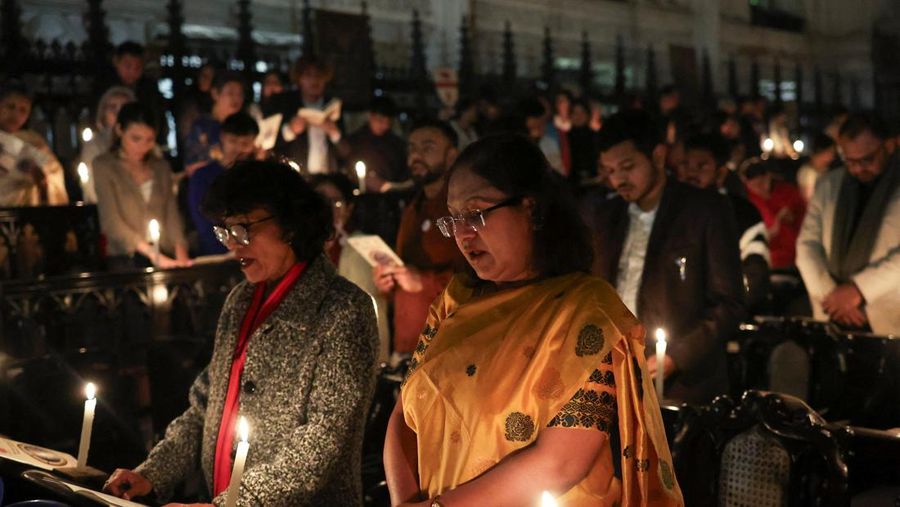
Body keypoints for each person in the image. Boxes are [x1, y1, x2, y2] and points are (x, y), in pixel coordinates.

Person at [383, 133, 683, 506]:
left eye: (476, 214)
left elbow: (559, 463)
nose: (461, 234)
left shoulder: (587, 311)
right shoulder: (455, 299)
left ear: (532, 209)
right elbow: (403, 414)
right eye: (454, 219)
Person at [104, 160, 379, 506]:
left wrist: (234, 504)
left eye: (244, 229)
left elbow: (321, 444)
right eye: (225, 231)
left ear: (291, 224)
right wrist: (152, 473)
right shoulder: (241, 300)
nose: (232, 245)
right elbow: (205, 407)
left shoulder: (343, 310)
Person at [586, 110, 745, 405]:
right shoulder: (605, 216)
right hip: (611, 379)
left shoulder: (705, 210)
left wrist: (676, 357)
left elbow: (729, 302)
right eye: (609, 171)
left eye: (627, 166)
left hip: (681, 386)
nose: (618, 180)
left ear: (658, 156)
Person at [797, 113, 900, 335]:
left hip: (890, 317)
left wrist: (859, 290)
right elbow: (807, 245)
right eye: (849, 160)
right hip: (832, 316)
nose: (857, 169)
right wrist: (833, 298)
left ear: (890, 145)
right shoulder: (830, 184)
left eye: (867, 159)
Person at [373, 119, 467, 356]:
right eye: (412, 148)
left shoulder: (462, 211)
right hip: (406, 346)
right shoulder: (412, 209)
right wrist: (389, 282)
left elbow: (477, 281)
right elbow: (405, 279)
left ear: (452, 155)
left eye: (428, 148)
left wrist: (423, 283)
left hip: (447, 349)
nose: (416, 155)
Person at [679, 133, 771, 313]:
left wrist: (724, 313)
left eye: (702, 166)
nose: (691, 173)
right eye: (685, 165)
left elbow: (756, 273)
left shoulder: (742, 213)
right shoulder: (670, 212)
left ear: (720, 173)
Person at [93, 102, 190, 269]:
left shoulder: (161, 167)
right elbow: (111, 221)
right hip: (125, 258)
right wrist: (150, 252)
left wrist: (181, 254)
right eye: (135, 138)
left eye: (149, 140)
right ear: (119, 130)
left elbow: (171, 214)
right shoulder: (104, 166)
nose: (142, 147)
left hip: (165, 252)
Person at [312, 173, 391, 364]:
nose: (328, 208)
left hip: (362, 354)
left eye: (336, 202)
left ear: (349, 208)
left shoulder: (369, 247)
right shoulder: (302, 250)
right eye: (321, 200)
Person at [188, 111, 259, 256]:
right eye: (233, 141)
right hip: (218, 253)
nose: (238, 149)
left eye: (245, 143)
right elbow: (202, 221)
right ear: (222, 138)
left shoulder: (258, 175)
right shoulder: (202, 177)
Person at [271, 55, 350, 174]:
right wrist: (290, 131)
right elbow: (272, 146)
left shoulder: (333, 106)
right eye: (308, 75)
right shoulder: (286, 104)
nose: (314, 80)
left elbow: (347, 153)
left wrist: (335, 134)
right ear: (299, 79)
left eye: (319, 75)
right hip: (296, 177)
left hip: (328, 176)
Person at [0, 82, 69, 206]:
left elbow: (53, 170)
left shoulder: (33, 140)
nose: (16, 114)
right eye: (10, 107)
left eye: (23, 110)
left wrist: (43, 178)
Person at [97, 41, 168, 146]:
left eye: (137, 67)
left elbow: (157, 117)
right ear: (116, 62)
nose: (132, 72)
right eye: (128, 66)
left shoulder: (148, 90)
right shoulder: (103, 87)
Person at [741, 158, 806, 269]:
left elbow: (805, 221)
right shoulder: (747, 201)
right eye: (753, 186)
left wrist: (792, 219)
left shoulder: (789, 192)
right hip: (765, 262)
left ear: (769, 176)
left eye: (762, 183)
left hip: (795, 258)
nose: (759, 188)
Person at [77, 86, 135, 203]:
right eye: (112, 107)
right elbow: (92, 189)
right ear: (103, 113)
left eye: (124, 108)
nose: (118, 113)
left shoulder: (147, 143)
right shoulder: (94, 146)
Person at [184, 72, 246, 175]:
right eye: (230, 93)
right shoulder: (202, 126)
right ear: (215, 93)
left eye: (240, 94)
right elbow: (191, 165)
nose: (236, 99)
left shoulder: (243, 125)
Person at [346, 96, 408, 190]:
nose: (385, 125)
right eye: (380, 120)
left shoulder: (396, 143)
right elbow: (349, 164)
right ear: (370, 116)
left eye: (388, 122)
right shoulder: (355, 141)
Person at [796, 133, 837, 203]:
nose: (833, 157)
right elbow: (809, 201)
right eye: (830, 152)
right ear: (821, 151)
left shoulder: (824, 170)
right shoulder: (808, 174)